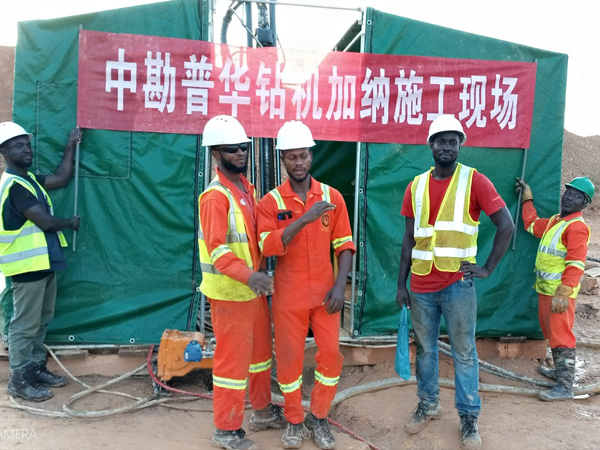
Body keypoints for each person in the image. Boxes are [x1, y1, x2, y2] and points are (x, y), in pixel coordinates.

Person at [395, 115, 514, 449]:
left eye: (453, 141)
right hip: (421, 286)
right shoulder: (416, 186)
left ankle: (468, 418)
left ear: (460, 145)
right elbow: (408, 239)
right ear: (431, 144)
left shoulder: (475, 181)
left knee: (464, 353)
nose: (446, 147)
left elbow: (506, 225)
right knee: (426, 351)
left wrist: (487, 268)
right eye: (441, 141)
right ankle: (428, 405)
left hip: (457, 285)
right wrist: (401, 284)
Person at [257, 121, 355, 450]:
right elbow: (267, 245)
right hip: (289, 296)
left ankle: (320, 416)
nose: (298, 162)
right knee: (289, 359)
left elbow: (344, 245)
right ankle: (295, 420)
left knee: (331, 356)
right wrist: (303, 219)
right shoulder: (270, 202)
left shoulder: (332, 197)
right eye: (291, 157)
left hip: (327, 295)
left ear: (311, 156)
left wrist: (340, 287)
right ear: (282, 159)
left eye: (303, 156)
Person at [198, 115, 285, 450]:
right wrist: (252, 276)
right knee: (232, 364)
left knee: (261, 353)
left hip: (251, 291)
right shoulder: (215, 197)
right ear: (216, 153)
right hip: (230, 294)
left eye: (243, 147)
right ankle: (227, 429)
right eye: (232, 149)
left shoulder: (246, 189)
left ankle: (261, 410)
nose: (240, 153)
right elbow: (218, 251)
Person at [0, 121, 81, 402]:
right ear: (4, 152)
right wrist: (69, 223)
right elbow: (45, 221)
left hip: (44, 263)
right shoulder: (14, 186)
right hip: (26, 267)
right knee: (25, 324)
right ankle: (19, 379)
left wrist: (70, 145)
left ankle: (35, 367)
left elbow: (62, 178)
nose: (26, 149)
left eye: (27, 144)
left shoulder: (29, 180)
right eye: (18, 146)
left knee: (42, 319)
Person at [516, 176, 594, 401]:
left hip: (559, 294)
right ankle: (560, 373)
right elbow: (532, 225)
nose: (569, 197)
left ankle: (565, 386)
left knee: (561, 335)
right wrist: (527, 199)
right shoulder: (555, 222)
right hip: (546, 290)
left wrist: (563, 292)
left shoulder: (577, 227)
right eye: (568, 192)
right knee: (551, 333)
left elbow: (576, 263)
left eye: (577, 196)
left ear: (584, 203)